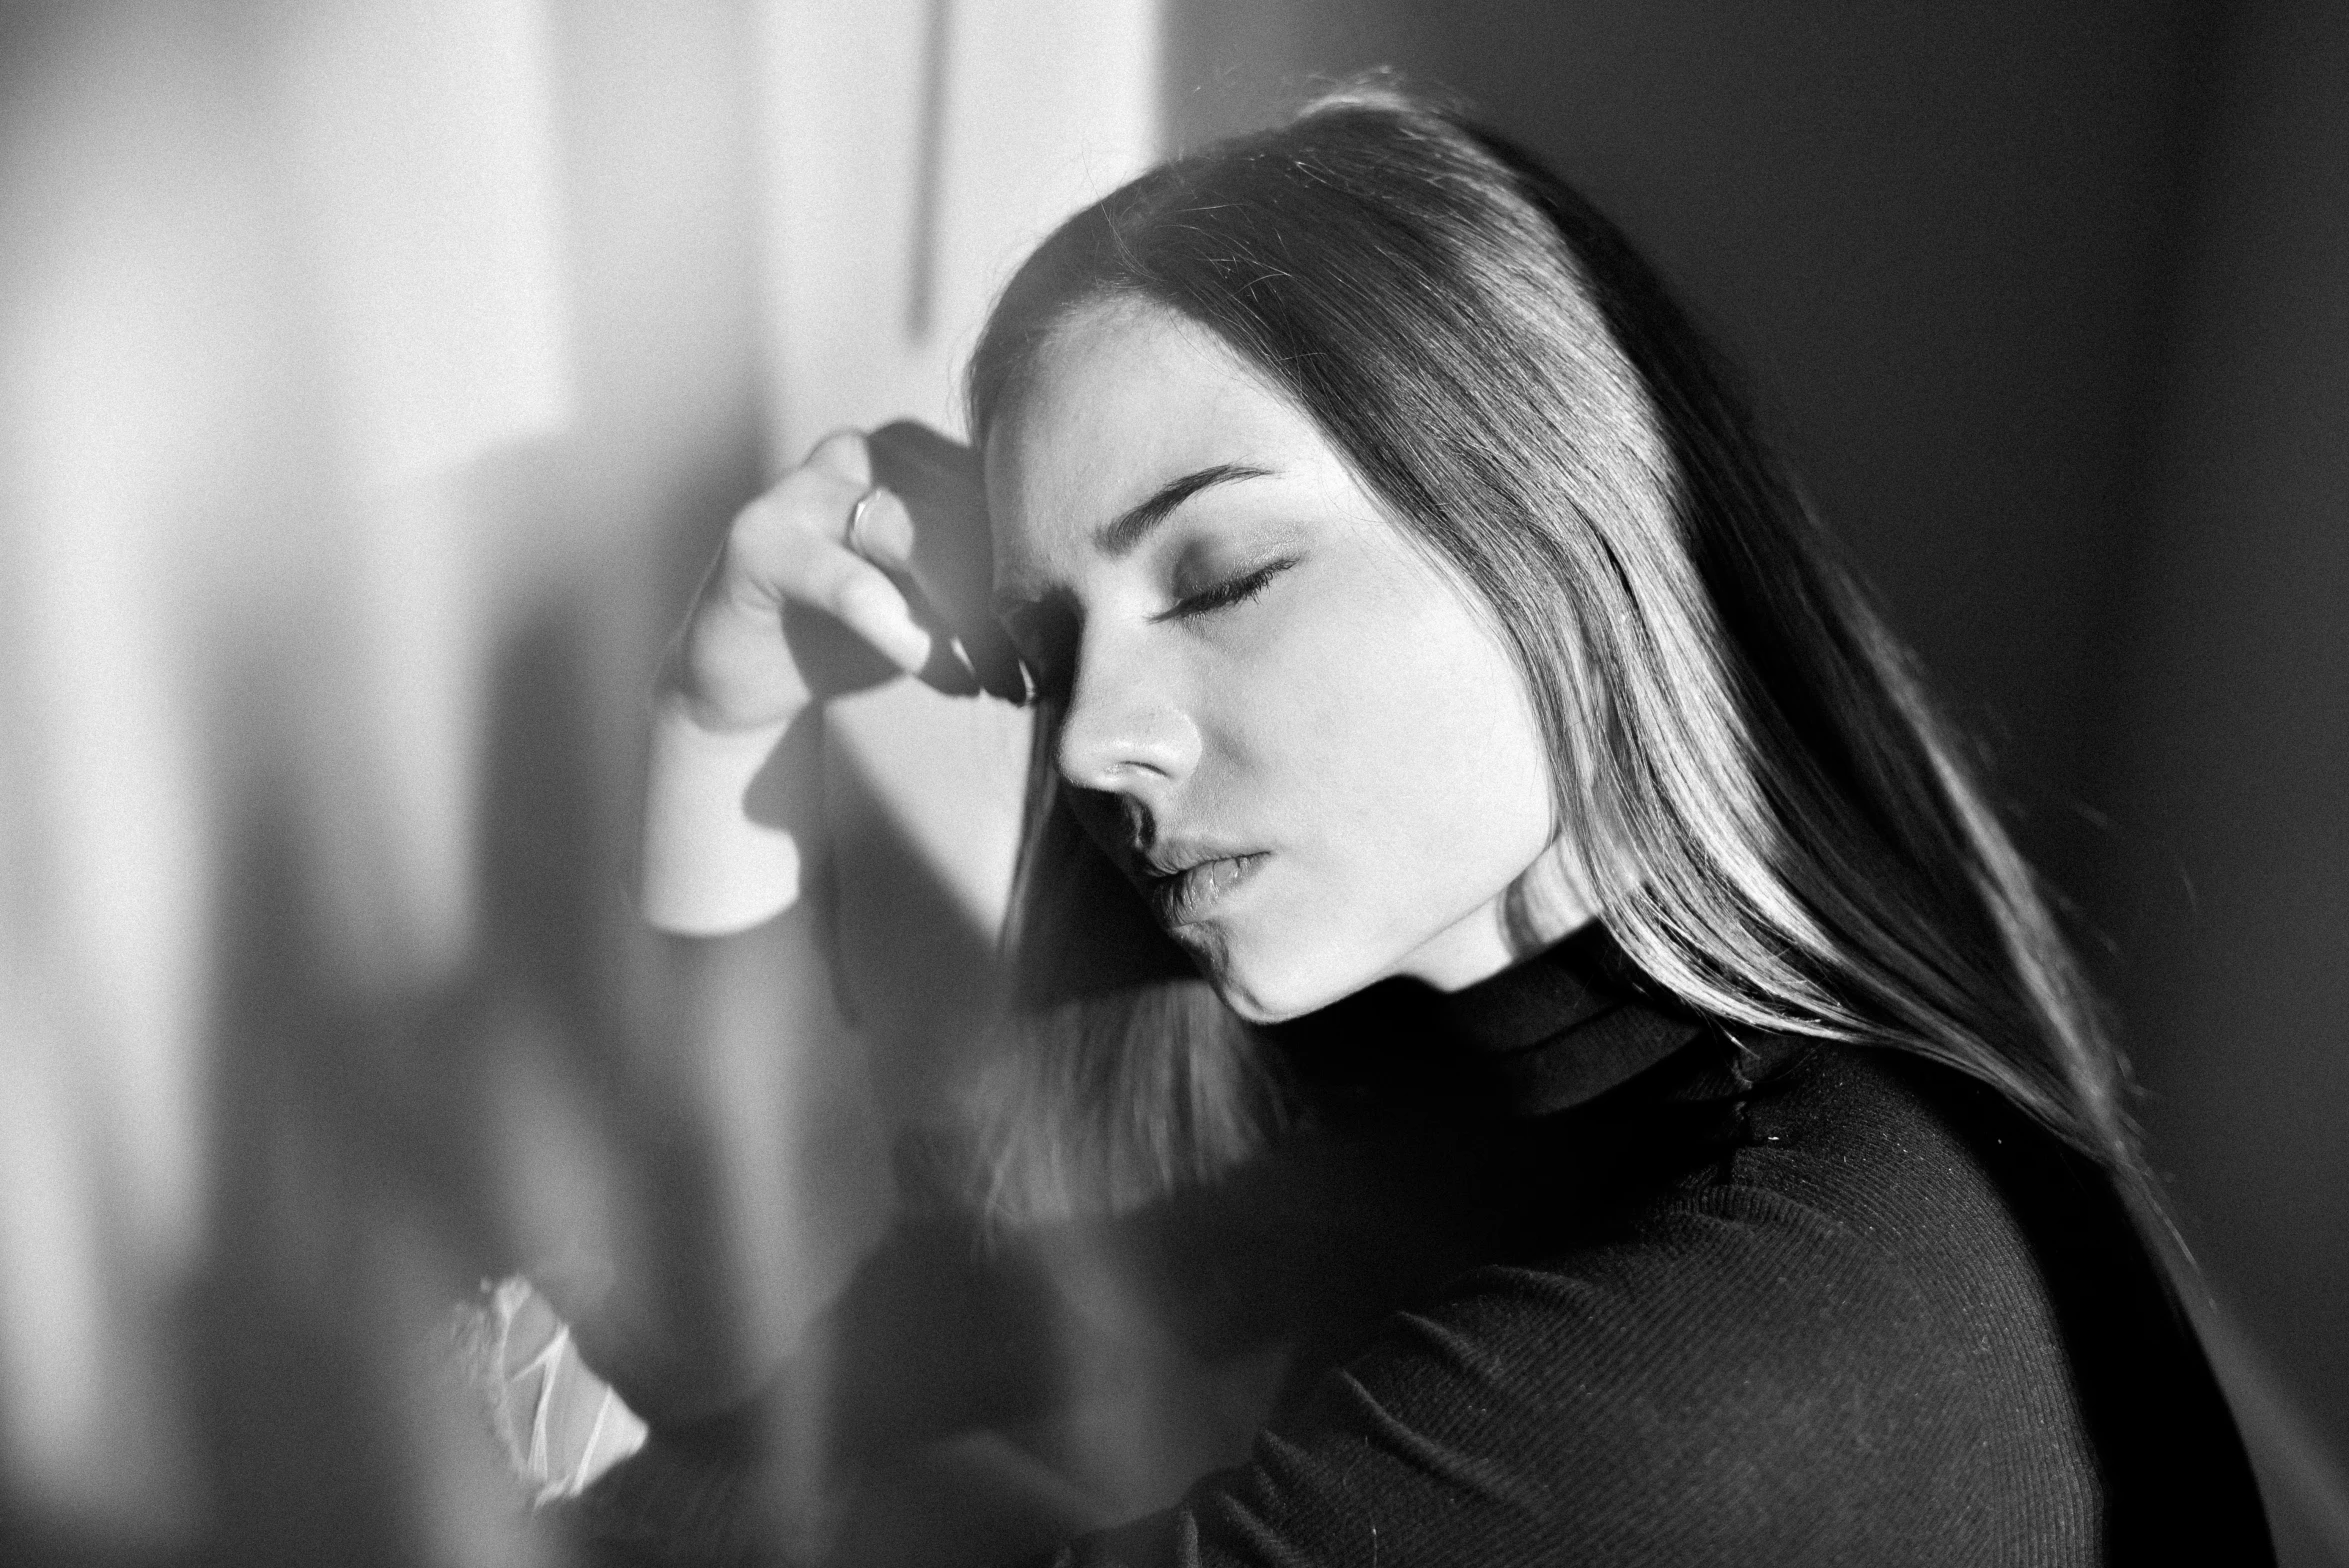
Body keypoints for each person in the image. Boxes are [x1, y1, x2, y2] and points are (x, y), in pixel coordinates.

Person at [541, 88, 2273, 1564]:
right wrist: (724, 715)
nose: (1088, 745)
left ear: (1553, 525)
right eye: (1057, 638)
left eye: (1223, 573)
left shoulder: (1751, 1327)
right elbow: (769, 1363)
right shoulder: (1429, 1066)